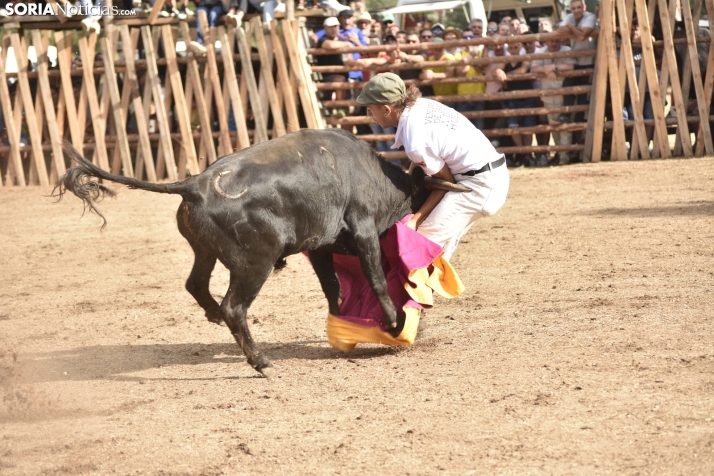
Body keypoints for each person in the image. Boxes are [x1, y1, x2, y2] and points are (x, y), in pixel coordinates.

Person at [356, 73, 510, 261]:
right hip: (485, 175)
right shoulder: (419, 105)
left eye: (371, 109)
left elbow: (446, 183)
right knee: (436, 250)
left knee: (419, 241)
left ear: (387, 109)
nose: (369, 114)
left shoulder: (415, 141)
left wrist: (415, 220)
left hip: (478, 186)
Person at [531, 37, 576, 165]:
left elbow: (570, 66)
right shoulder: (540, 52)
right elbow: (535, 68)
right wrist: (546, 69)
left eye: (556, 40)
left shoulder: (566, 50)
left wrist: (553, 67)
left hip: (564, 95)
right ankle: (560, 153)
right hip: (548, 95)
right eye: (551, 40)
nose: (554, 43)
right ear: (546, 41)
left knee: (565, 127)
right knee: (554, 127)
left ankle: (564, 156)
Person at [557, 0, 597, 123]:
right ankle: (566, 115)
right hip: (576, 62)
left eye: (579, 7)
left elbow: (581, 36)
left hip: (590, 62)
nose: (576, 10)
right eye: (573, 8)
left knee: (584, 96)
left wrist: (570, 27)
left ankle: (584, 124)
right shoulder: (569, 16)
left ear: (584, 7)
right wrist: (577, 29)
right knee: (567, 86)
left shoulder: (590, 16)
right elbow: (560, 31)